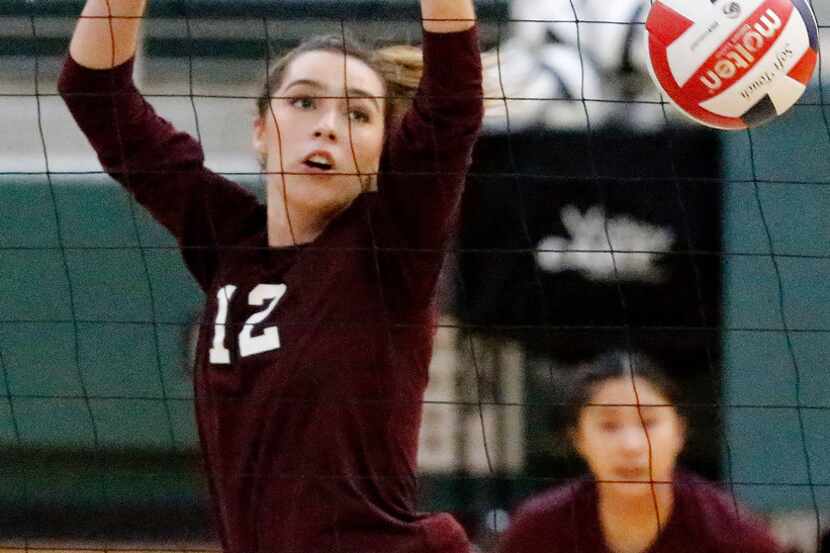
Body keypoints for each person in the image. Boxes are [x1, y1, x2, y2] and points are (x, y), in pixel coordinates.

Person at [58, 1, 483, 552]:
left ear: (383, 148)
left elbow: (452, 104)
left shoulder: (391, 247)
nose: (327, 127)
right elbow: (93, 92)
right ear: (261, 130)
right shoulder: (227, 239)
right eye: (304, 102)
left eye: (358, 114)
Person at [498, 351, 782, 553]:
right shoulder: (537, 531)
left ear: (679, 433)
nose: (631, 445)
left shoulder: (735, 536)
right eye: (609, 425)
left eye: (648, 423)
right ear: (578, 438)